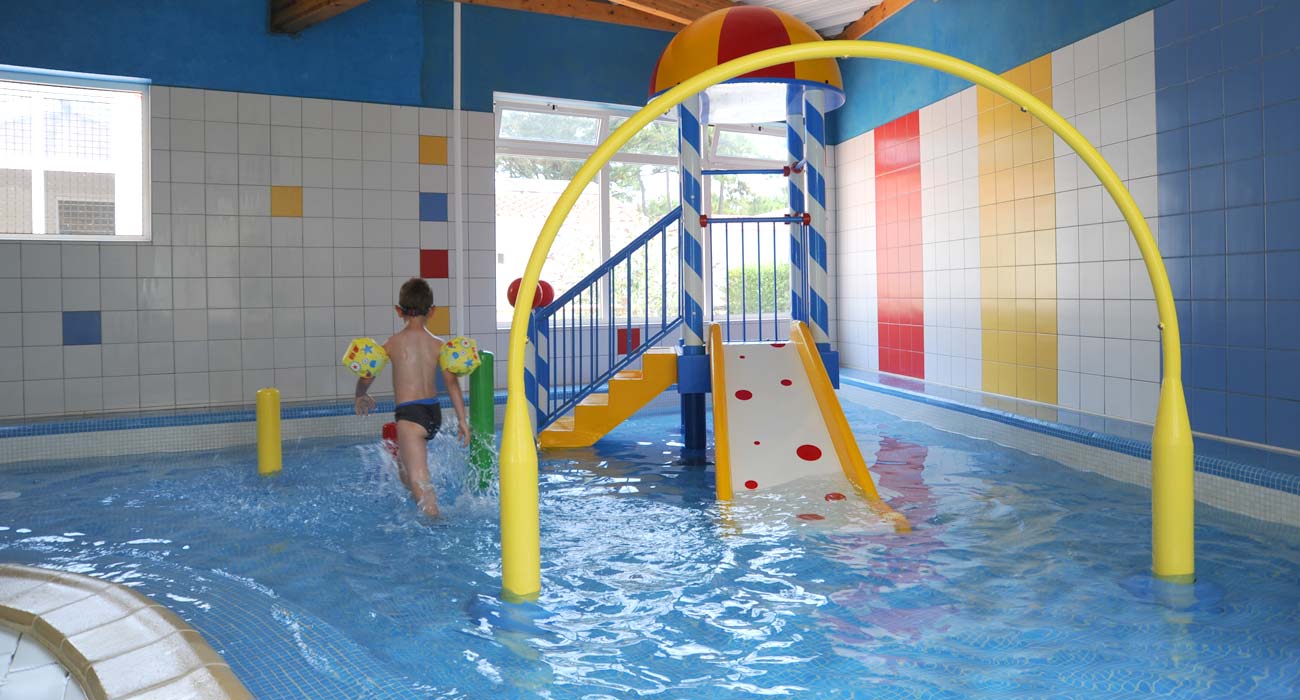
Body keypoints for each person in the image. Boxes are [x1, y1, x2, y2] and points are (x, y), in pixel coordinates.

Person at [354, 278, 470, 517]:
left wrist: (361, 394)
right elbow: (452, 385)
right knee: (404, 471)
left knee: (420, 482)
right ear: (432, 311)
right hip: (432, 413)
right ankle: (422, 503)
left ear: (399, 311)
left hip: (410, 416)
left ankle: (437, 523)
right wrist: (462, 420)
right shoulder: (439, 345)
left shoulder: (392, 344)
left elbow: (367, 375)